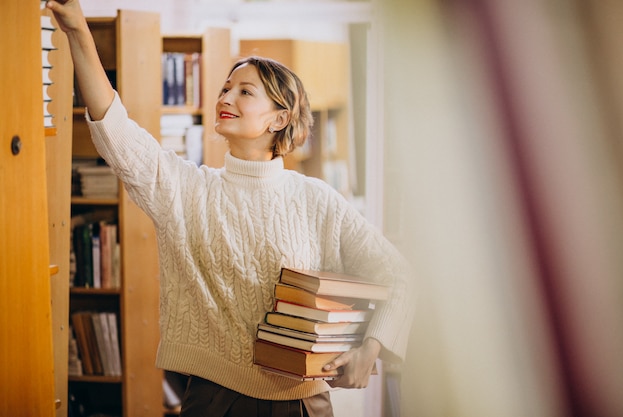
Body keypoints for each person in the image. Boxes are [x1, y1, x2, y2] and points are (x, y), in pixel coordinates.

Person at [48, 1, 415, 416]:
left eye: (245, 91)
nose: (226, 96)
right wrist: (77, 30)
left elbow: (399, 276)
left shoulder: (317, 200)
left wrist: (371, 349)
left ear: (279, 119)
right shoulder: (187, 190)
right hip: (213, 401)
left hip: (303, 405)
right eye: (226, 88)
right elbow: (114, 128)